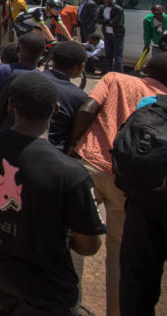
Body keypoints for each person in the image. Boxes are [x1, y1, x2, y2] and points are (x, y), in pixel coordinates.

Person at [0, 72, 105, 314]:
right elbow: (88, 245)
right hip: (46, 290)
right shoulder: (71, 174)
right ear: (55, 109)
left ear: (10, 104)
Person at [66, 56, 167, 316]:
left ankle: (67, 300)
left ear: (145, 69)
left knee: (69, 229)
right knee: (122, 253)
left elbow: (87, 109)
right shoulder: (162, 102)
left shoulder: (115, 79)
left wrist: (72, 144)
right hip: (130, 180)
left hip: (88, 164)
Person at [41, 41, 88, 151]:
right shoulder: (80, 97)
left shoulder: (28, 77)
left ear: (52, 59)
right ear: (81, 66)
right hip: (52, 151)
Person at [97, 0, 126, 73]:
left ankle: (120, 74)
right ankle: (108, 72)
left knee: (118, 56)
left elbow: (116, 23)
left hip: (117, 34)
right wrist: (106, 21)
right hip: (107, 34)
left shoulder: (118, 9)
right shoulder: (102, 8)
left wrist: (105, 22)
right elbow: (98, 20)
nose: (106, 1)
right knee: (108, 55)